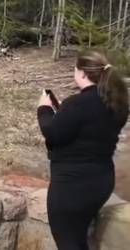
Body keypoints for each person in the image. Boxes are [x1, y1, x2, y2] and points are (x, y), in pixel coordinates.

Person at [37, 49, 129, 250]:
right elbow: (88, 128)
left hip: (72, 187)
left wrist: (44, 108)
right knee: (78, 240)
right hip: (101, 182)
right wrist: (64, 113)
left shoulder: (77, 104)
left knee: (68, 243)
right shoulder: (115, 102)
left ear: (81, 73)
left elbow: (53, 133)